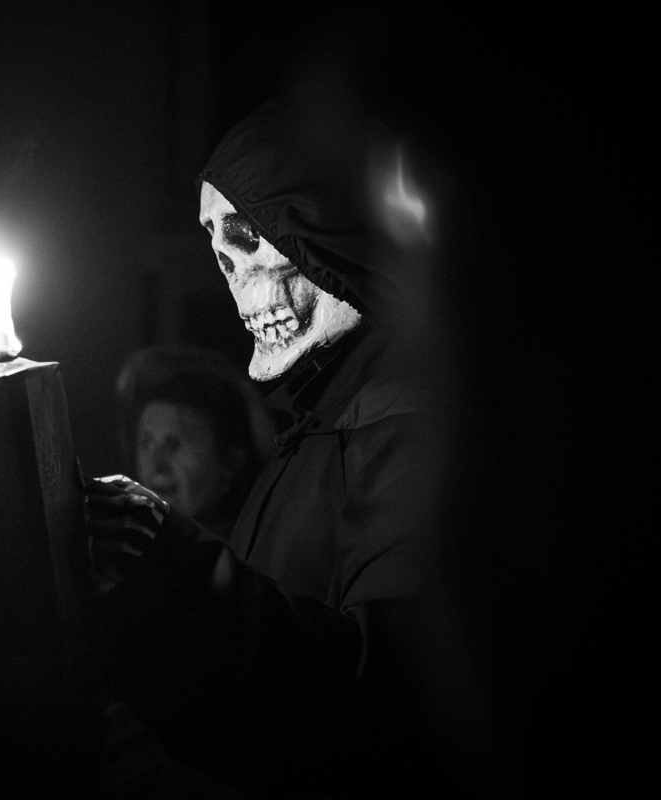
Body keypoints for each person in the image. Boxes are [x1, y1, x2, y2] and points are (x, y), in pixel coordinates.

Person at [86, 92, 494, 795]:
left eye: (249, 237)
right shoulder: (324, 422)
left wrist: (171, 563)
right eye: (216, 248)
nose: (232, 274)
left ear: (332, 230)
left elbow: (382, 704)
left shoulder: (401, 427)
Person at [117, 346, 273, 540]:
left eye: (173, 445)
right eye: (146, 444)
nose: (157, 466)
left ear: (232, 461)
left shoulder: (264, 553)